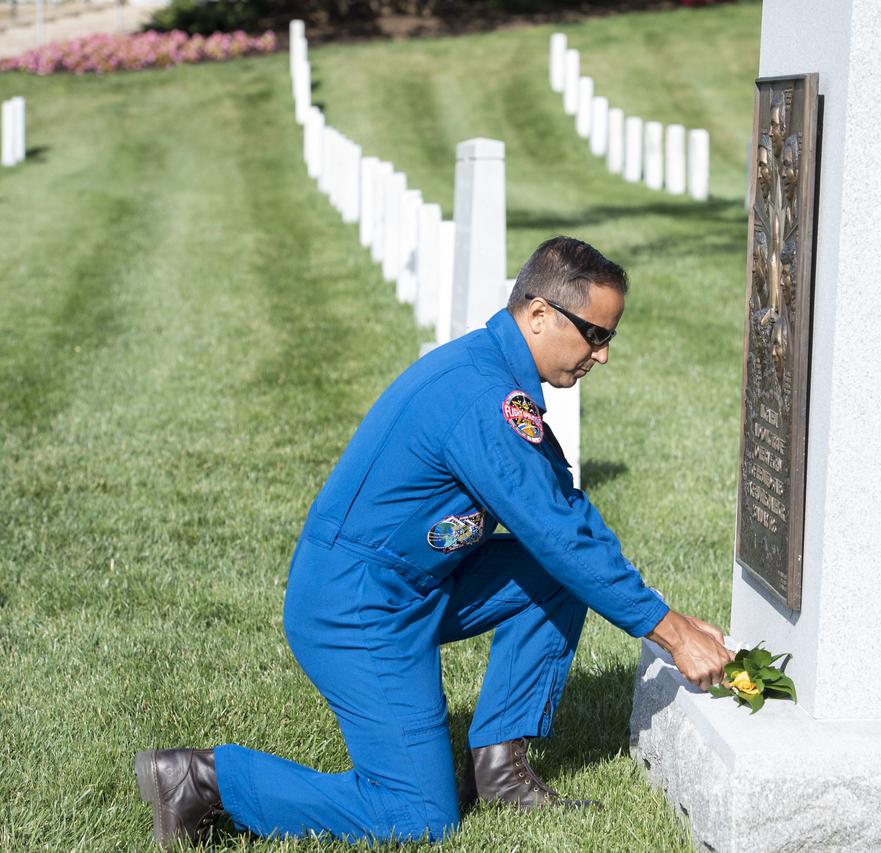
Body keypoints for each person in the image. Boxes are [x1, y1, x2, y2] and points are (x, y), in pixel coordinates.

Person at [132, 236, 734, 848]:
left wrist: (669, 615)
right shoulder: (484, 399)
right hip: (358, 610)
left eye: (609, 337)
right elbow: (559, 534)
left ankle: (499, 772)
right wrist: (672, 634)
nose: (602, 355)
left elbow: (566, 518)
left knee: (555, 572)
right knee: (416, 816)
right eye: (596, 335)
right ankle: (201, 779)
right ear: (539, 314)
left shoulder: (497, 377)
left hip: (412, 587)